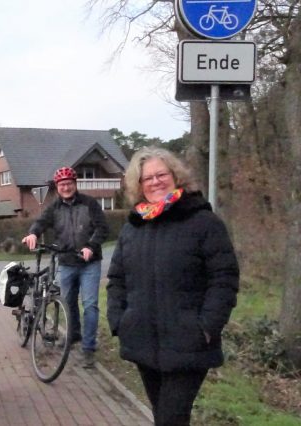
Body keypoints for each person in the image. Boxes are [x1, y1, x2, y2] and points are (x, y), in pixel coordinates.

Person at [106, 146, 239, 426]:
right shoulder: (134, 227)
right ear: (139, 185)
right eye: (147, 178)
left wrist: (206, 326)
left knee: (170, 419)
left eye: (161, 174)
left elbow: (223, 277)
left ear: (175, 176)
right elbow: (117, 278)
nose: (155, 182)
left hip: (188, 343)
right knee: (164, 417)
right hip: (142, 340)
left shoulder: (203, 221)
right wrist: (120, 320)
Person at [22, 166, 109, 369]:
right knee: (68, 304)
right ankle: (73, 335)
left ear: (75, 184)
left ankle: (88, 349)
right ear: (57, 187)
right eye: (62, 185)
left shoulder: (89, 204)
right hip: (67, 262)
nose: (66, 188)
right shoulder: (55, 208)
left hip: (89, 263)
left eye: (69, 184)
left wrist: (91, 246)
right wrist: (33, 233)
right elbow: (41, 222)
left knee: (90, 305)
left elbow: (103, 228)